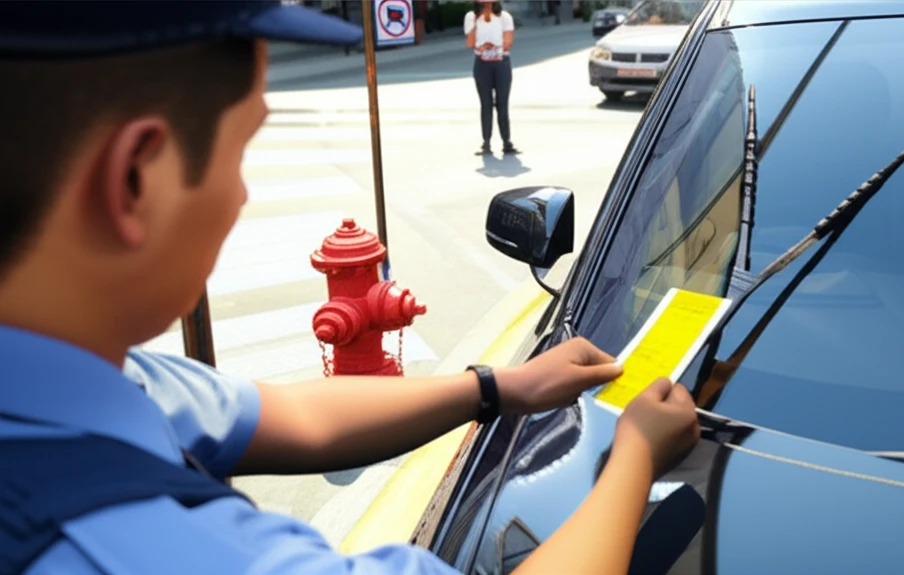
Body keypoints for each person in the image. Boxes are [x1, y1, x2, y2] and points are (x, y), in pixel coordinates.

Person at [0, 1, 701, 574]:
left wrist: (495, 387)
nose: (241, 195)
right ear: (135, 180)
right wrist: (635, 455)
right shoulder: (162, 552)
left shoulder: (86, 377)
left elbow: (294, 417)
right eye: (240, 151)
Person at [465, 0, 520, 156]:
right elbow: (470, 42)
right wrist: (476, 23)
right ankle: (486, 142)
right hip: (482, 63)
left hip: (501, 62)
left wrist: (494, 47)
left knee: (502, 103)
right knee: (486, 104)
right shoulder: (471, 17)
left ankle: (506, 142)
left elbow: (508, 41)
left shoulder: (504, 17)